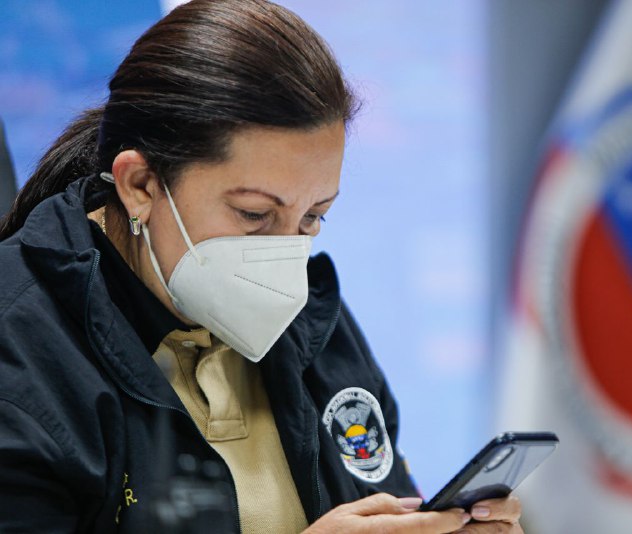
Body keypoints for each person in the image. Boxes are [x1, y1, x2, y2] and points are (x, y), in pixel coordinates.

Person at [0, 1, 523, 532]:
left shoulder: (314, 324)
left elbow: (385, 498)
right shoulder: (21, 354)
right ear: (140, 185)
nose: (284, 255)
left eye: (314, 217)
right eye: (254, 214)